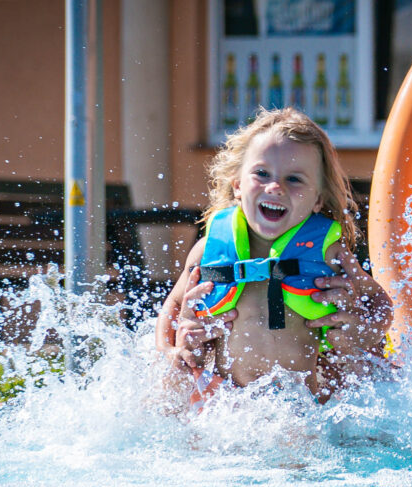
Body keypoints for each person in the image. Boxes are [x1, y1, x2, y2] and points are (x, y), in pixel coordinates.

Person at [156, 107, 392, 410]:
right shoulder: (208, 252)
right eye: (262, 174)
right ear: (238, 185)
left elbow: (380, 302)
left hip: (300, 408)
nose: (276, 187)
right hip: (229, 406)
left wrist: (364, 332)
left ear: (318, 199)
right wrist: (170, 352)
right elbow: (173, 305)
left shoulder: (329, 255)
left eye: (294, 179)